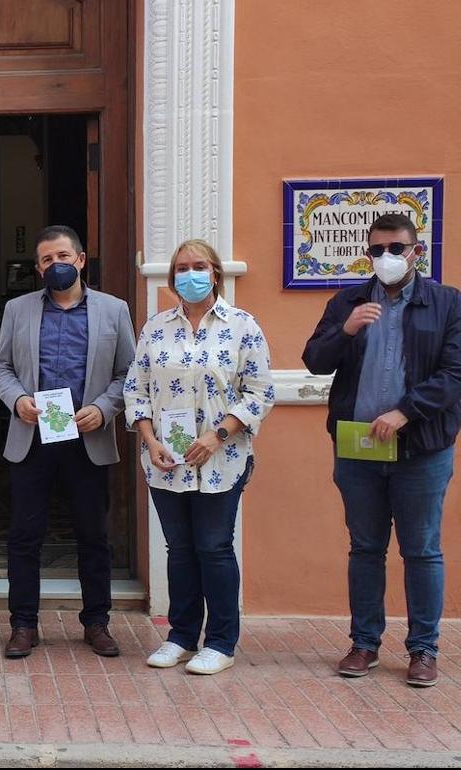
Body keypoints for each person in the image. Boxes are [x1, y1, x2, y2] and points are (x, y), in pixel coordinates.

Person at [303, 213, 461, 688]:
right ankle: (364, 643)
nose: (385, 258)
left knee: (421, 550)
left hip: (421, 449)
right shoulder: (348, 301)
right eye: (376, 250)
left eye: (396, 248)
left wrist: (406, 412)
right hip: (358, 449)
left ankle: (424, 650)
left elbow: (454, 375)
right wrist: (345, 330)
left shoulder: (447, 303)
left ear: (417, 251)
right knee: (366, 548)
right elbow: (314, 362)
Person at [125, 239, 274, 675]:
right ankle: (181, 636)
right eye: (183, 267)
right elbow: (137, 389)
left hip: (221, 460)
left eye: (199, 266)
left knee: (214, 547)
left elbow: (260, 392)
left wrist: (217, 435)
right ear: (172, 278)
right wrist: (150, 440)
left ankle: (222, 642)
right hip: (166, 461)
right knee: (180, 549)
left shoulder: (243, 325)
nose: (191, 274)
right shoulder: (156, 327)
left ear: (215, 273)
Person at [0, 226, 136, 660]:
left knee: (93, 534)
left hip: (86, 436)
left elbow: (129, 372)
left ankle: (96, 622)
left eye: (62, 256)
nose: (56, 265)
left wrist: (105, 407)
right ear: (38, 268)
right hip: (32, 438)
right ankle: (23, 624)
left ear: (81, 259)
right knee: (24, 535)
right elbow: (0, 367)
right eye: (46, 260)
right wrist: (17, 400)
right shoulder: (17, 310)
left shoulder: (114, 310)